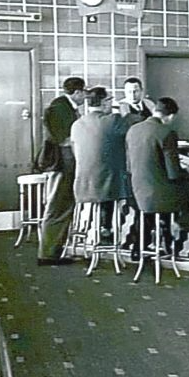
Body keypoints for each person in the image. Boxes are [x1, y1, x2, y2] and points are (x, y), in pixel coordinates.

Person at [126, 97, 189, 250]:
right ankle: (186, 229)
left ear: (155, 110)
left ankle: (151, 238)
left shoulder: (133, 130)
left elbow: (130, 165)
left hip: (137, 192)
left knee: (161, 194)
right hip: (162, 196)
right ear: (171, 116)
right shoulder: (167, 132)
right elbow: (174, 174)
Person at [70, 87, 137, 240]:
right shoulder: (113, 120)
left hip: (82, 184)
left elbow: (75, 151)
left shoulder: (77, 124)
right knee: (139, 190)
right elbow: (136, 126)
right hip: (109, 185)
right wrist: (125, 112)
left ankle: (95, 228)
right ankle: (127, 236)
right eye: (110, 99)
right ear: (105, 102)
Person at [37, 76, 86, 265]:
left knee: (60, 206)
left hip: (61, 163)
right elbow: (63, 139)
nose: (84, 97)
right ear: (77, 92)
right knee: (58, 206)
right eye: (83, 93)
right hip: (61, 163)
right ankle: (48, 253)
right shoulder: (60, 108)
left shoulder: (61, 106)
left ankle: (53, 251)